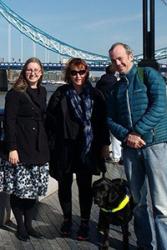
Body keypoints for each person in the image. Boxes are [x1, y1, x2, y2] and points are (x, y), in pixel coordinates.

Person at [107, 42, 167, 250]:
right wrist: (127, 136)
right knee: (138, 204)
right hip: (131, 150)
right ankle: (144, 245)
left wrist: (137, 132)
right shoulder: (115, 89)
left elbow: (160, 105)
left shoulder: (149, 75)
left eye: (121, 57)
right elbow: (110, 119)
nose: (118, 62)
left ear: (130, 56)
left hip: (155, 146)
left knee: (161, 206)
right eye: (114, 60)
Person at [45, 58, 110, 240]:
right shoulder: (61, 93)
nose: (78, 76)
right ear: (69, 74)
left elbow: (102, 122)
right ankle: (66, 219)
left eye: (81, 72)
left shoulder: (95, 95)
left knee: (85, 187)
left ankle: (84, 222)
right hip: (64, 148)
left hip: (86, 148)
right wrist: (51, 144)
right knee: (64, 185)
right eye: (73, 72)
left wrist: (105, 144)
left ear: (87, 73)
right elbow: (49, 120)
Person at [2, 57, 50, 241]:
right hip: (21, 147)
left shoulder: (43, 91)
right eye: (29, 69)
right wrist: (11, 148)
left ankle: (30, 226)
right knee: (18, 189)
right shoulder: (15, 93)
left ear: (41, 72)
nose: (33, 73)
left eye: (36, 70)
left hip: (39, 148)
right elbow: (9, 122)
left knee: (33, 190)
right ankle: (21, 227)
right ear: (24, 71)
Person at [96, 64, 122, 164]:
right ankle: (116, 156)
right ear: (114, 72)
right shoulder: (116, 83)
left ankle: (103, 154)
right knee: (115, 134)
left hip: (100, 110)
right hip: (113, 111)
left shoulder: (99, 82)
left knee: (102, 134)